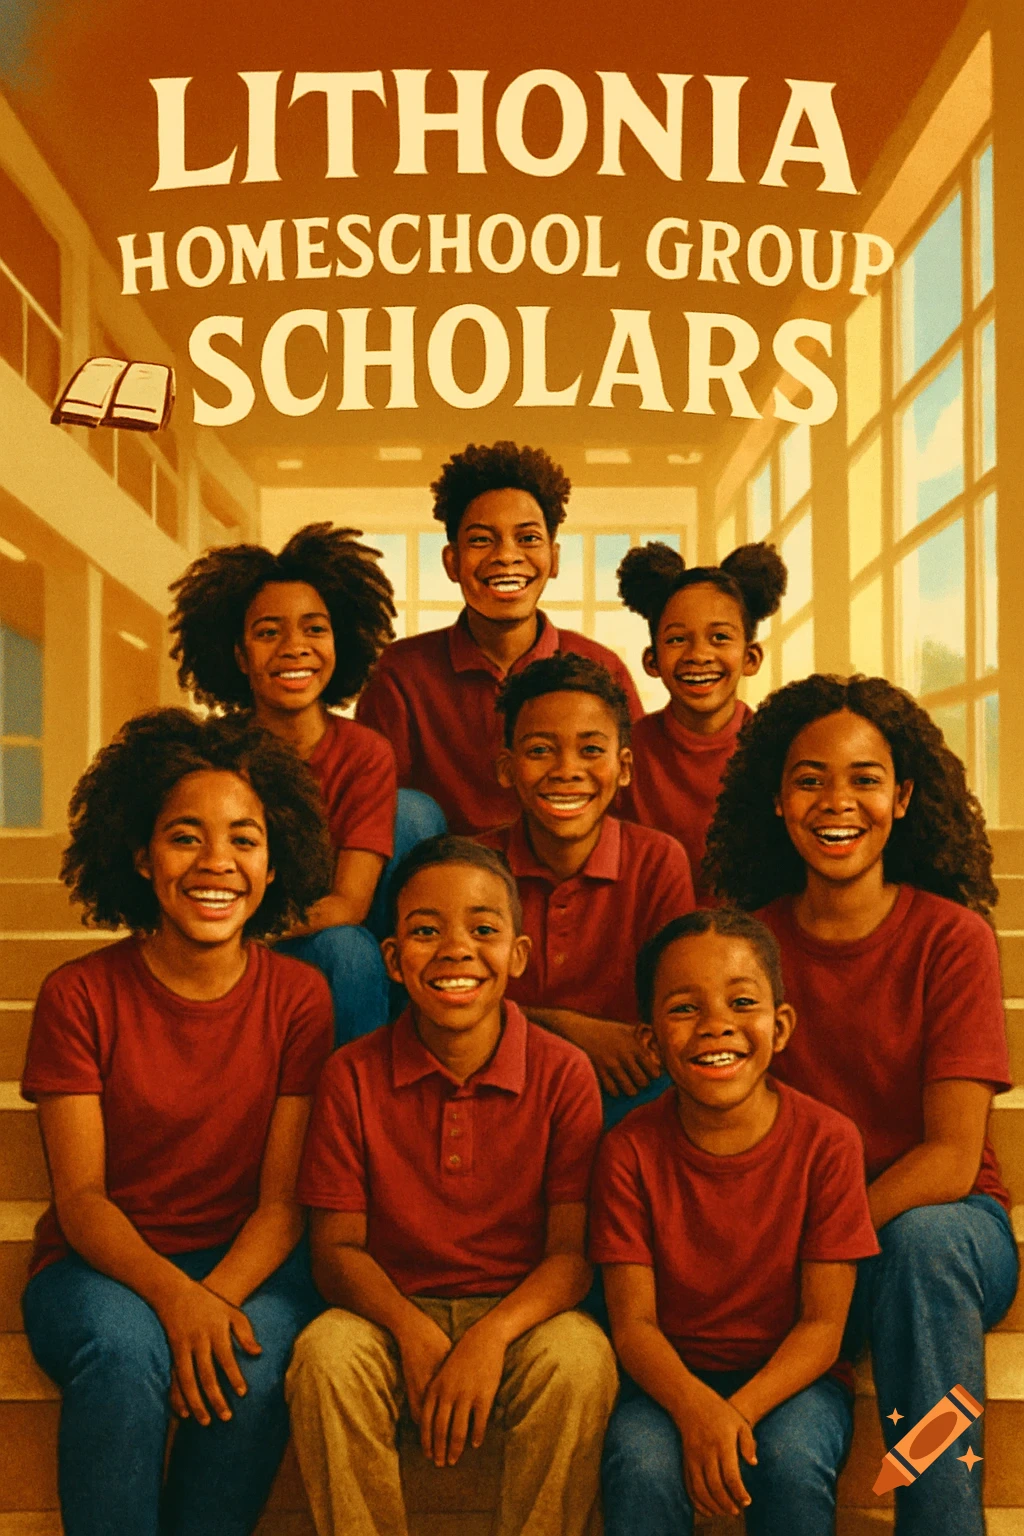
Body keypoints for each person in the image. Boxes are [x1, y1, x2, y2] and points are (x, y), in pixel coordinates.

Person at [704, 674, 1019, 1536]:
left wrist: (818, 1239)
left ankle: (942, 1522)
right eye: (809, 779)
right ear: (775, 800)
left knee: (922, 1245)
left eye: (865, 778)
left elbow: (952, 1160)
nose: (837, 802)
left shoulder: (952, 938)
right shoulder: (747, 945)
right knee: (791, 1452)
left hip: (943, 1229)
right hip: (800, 1240)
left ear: (904, 796)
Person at [20, 709, 336, 1536]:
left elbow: (282, 1205)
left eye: (244, 839)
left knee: (258, 1357)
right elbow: (82, 1199)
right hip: (101, 1269)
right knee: (128, 1354)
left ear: (274, 864)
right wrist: (174, 1300)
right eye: (185, 837)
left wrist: (213, 1300)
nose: (217, 863)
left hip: (244, 1263)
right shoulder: (77, 995)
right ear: (139, 854)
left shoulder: (300, 998)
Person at [285, 835, 617, 1536]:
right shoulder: (351, 1075)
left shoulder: (563, 1074)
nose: (456, 950)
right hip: (389, 1311)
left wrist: (490, 1338)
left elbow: (571, 1255)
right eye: (425, 932)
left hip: (519, 1315)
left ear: (518, 956)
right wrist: (410, 1329)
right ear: (392, 961)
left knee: (582, 1359)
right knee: (323, 1355)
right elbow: (335, 1250)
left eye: (484, 930)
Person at [595, 908, 879, 1534]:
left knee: (790, 1458)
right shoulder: (629, 1150)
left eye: (741, 1001)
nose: (716, 1025)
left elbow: (824, 1325)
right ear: (650, 1041)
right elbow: (634, 1324)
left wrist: (736, 1413)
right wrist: (697, 1409)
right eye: (684, 1008)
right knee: (640, 1463)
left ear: (779, 1027)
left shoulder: (830, 1142)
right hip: (669, 1382)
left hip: (794, 1381)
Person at [169, 523, 445, 1043]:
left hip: (302, 930)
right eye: (269, 632)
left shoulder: (365, 753)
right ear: (238, 655)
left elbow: (347, 906)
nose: (295, 648)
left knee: (353, 945)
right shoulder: (209, 753)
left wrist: (252, 926)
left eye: (314, 629)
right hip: (221, 926)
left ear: (340, 641)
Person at [356, 441, 643, 834]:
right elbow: (375, 816)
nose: (506, 556)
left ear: (554, 558)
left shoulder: (604, 669)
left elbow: (629, 807)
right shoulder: (401, 672)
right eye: (480, 540)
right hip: (446, 882)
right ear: (452, 561)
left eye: (527, 538)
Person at [484, 651, 695, 1124]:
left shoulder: (658, 862)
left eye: (591, 750)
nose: (566, 770)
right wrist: (571, 1029)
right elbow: (446, 1009)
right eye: (540, 750)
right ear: (507, 767)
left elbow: (681, 1002)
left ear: (624, 768)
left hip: (621, 1085)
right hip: (500, 1085)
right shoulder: (474, 868)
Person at [616, 539, 786, 900]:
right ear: (652, 660)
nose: (699, 655)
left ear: (751, 657)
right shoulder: (625, 752)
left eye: (720, 638)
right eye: (678, 639)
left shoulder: (779, 750)